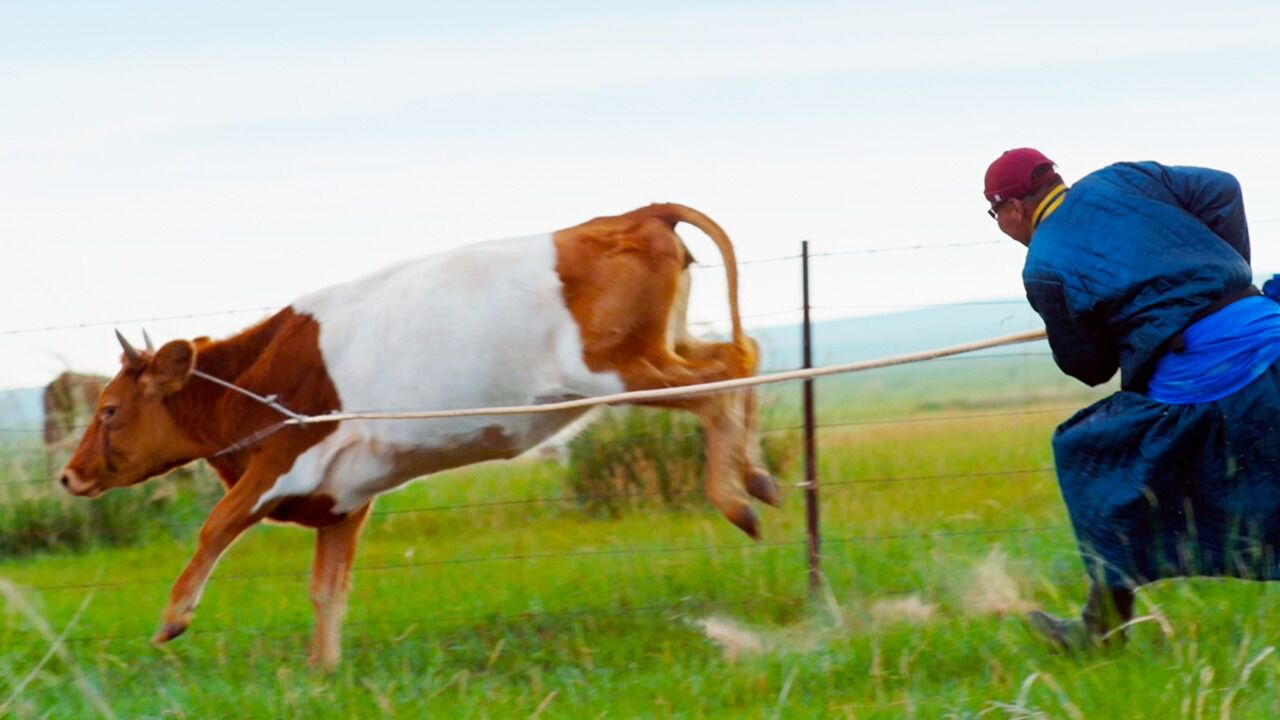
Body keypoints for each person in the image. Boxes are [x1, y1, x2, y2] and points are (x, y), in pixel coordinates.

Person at [984, 148, 1280, 650]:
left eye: (995, 216)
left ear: (1013, 208)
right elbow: (1223, 188)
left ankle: (1101, 631)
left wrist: (1137, 320)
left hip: (1211, 375)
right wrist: (1228, 278)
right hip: (1267, 326)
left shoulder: (1044, 266)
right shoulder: (1123, 178)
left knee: (1091, 457)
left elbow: (1091, 368)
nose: (1002, 227)